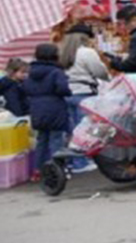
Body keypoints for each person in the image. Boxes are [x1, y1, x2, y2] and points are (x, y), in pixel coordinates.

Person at [59, 23, 109, 173]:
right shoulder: (87, 52)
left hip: (67, 94)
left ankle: (72, 162)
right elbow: (100, 72)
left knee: (71, 130)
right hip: (84, 93)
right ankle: (81, 162)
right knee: (84, 130)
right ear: (85, 38)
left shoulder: (63, 52)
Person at [23, 43, 71, 180]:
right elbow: (63, 89)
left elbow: (26, 88)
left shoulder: (31, 72)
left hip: (37, 108)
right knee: (56, 139)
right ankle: (56, 170)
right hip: (54, 107)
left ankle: (38, 170)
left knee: (41, 139)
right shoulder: (56, 71)